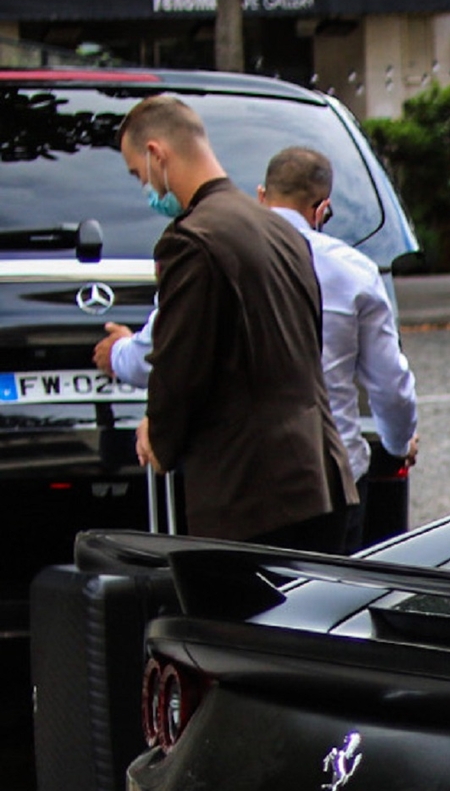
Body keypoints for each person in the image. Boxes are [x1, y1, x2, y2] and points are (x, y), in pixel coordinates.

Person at [98, 146, 418, 555]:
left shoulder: (223, 249)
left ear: (262, 196)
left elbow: (162, 353)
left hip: (248, 483)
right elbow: (390, 385)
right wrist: (398, 442)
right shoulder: (354, 270)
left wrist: (118, 353)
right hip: (335, 474)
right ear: (323, 209)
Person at [117, 94, 354, 548]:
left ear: (155, 154)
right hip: (319, 476)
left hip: (250, 495)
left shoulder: (192, 240)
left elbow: (181, 364)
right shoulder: (282, 231)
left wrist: (159, 434)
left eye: (137, 173)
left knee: (238, 620)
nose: (143, 185)